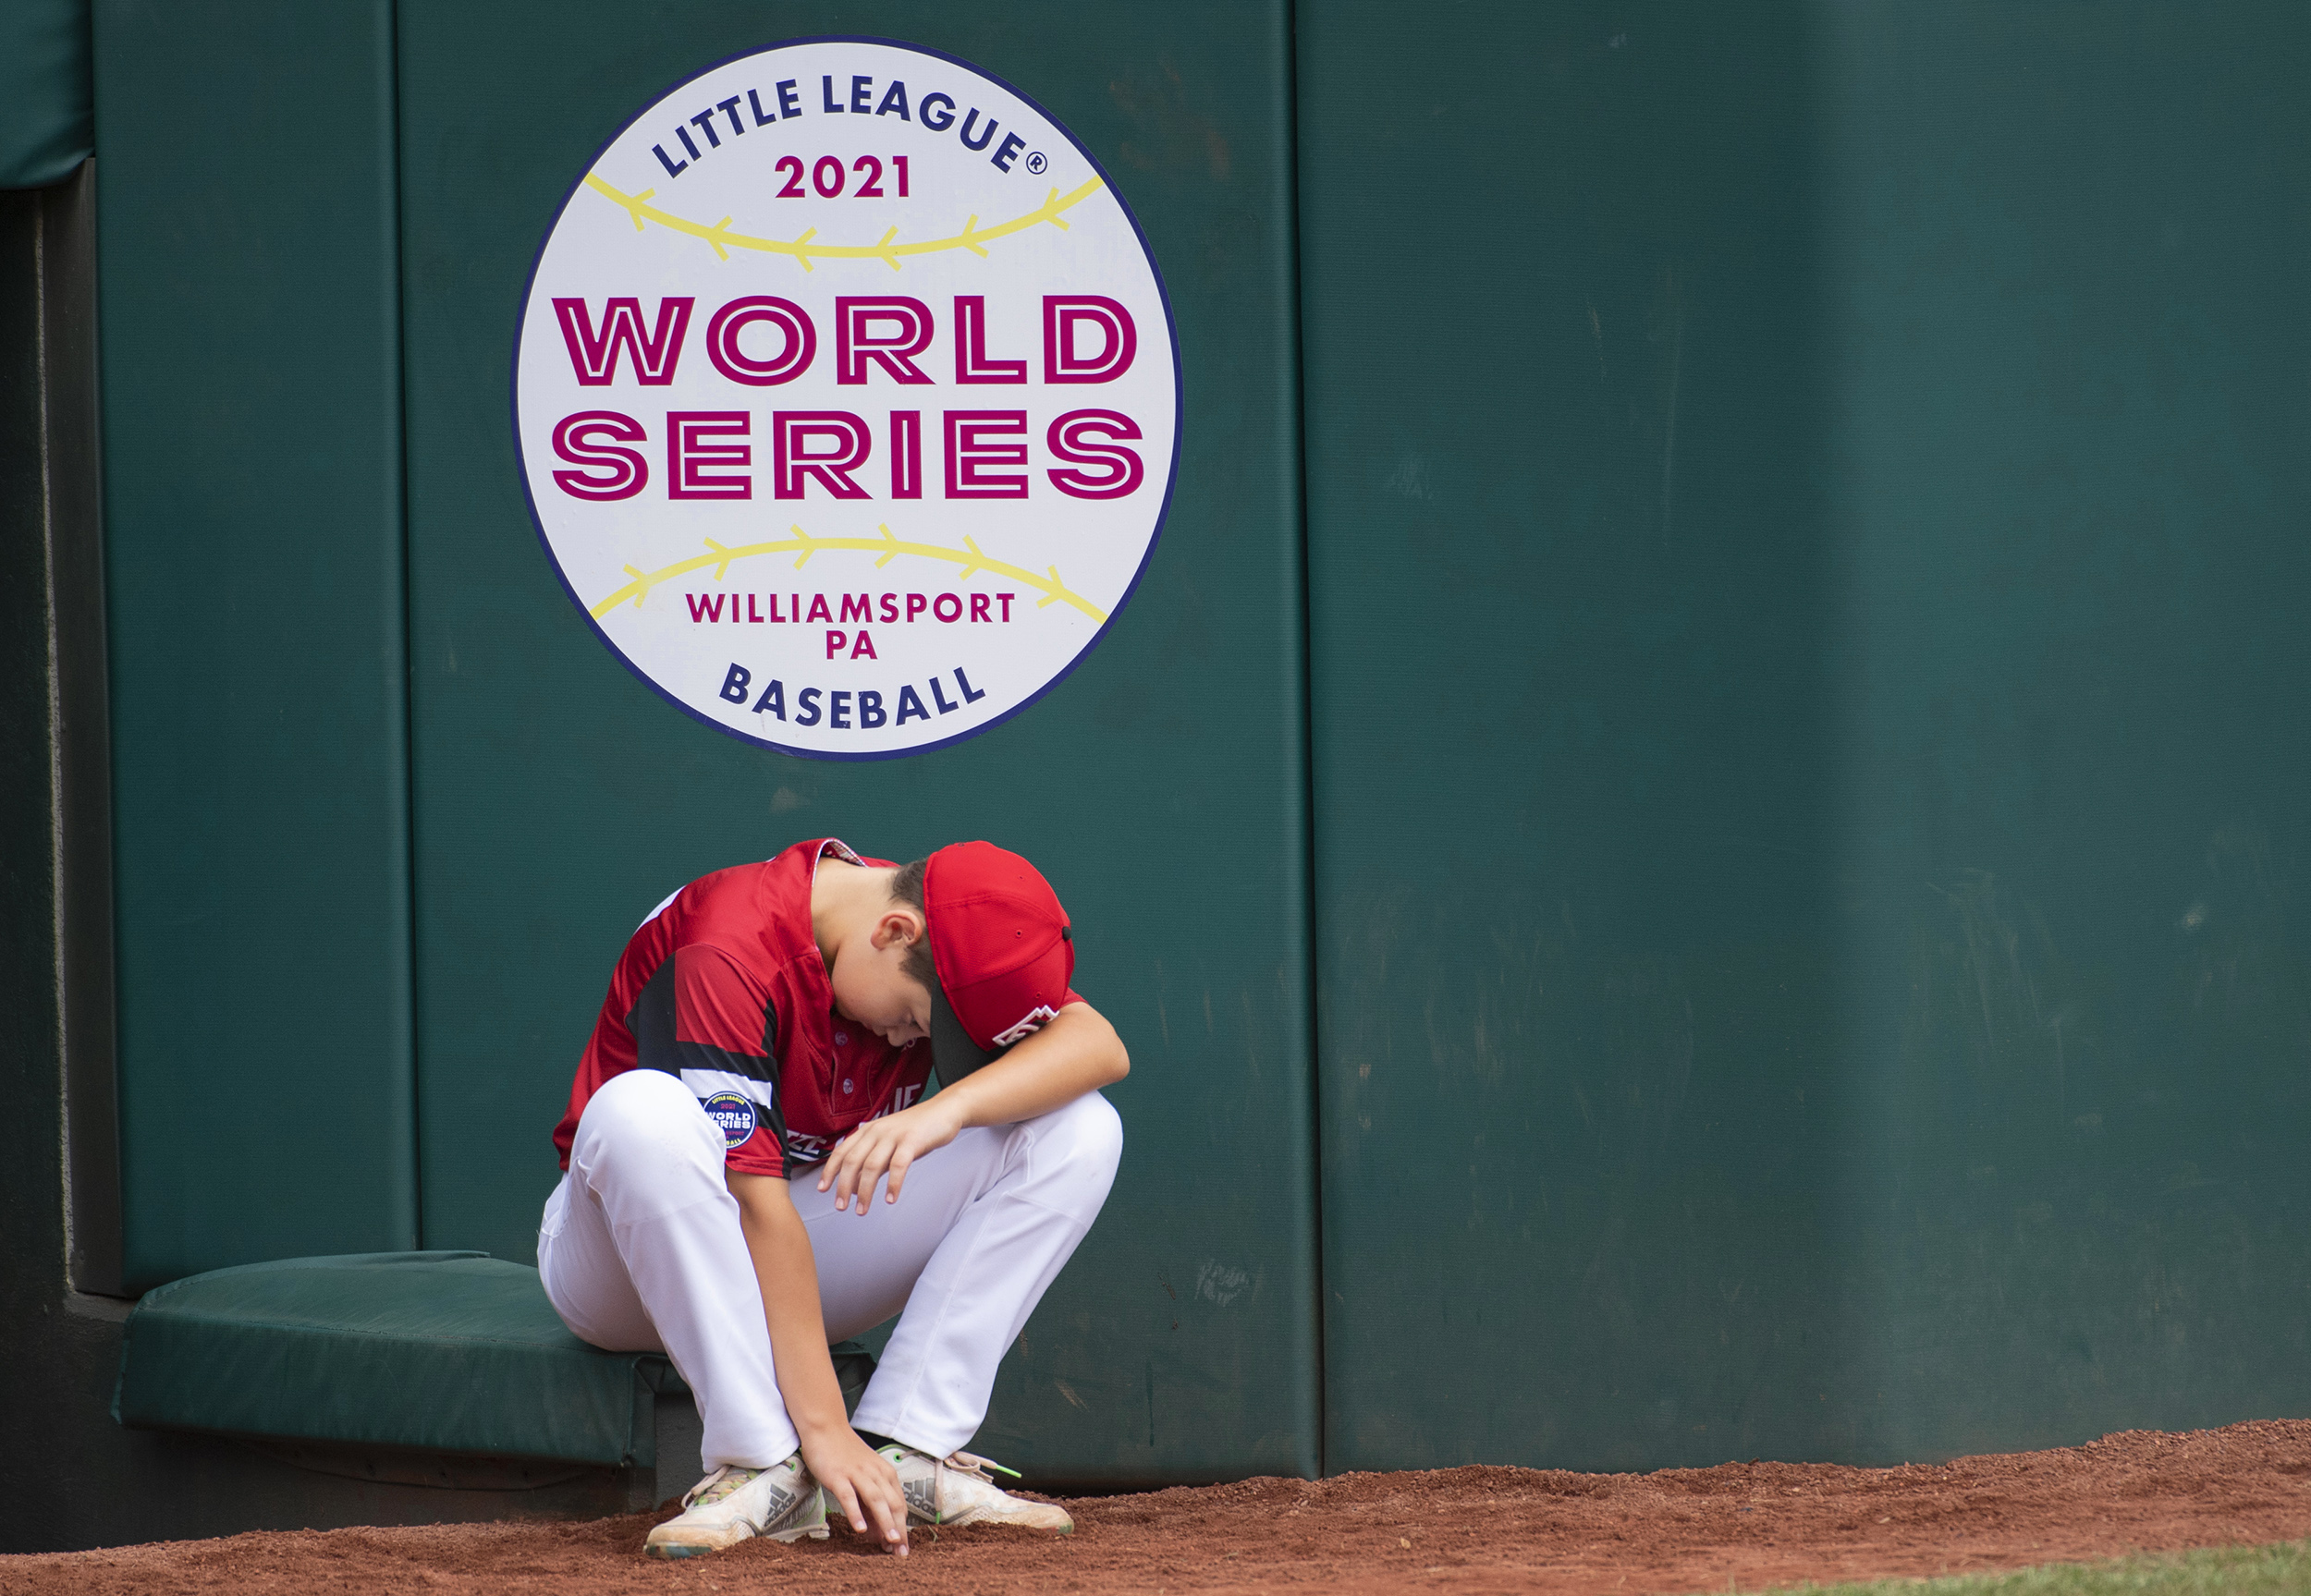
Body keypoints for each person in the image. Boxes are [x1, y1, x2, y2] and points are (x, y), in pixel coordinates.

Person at [537, 837, 1128, 1559]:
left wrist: (947, 1109)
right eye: (918, 1019)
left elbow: (1100, 1044)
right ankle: (761, 1461)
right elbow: (754, 1205)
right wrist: (824, 1427)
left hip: (796, 1245)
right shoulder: (729, 942)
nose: (911, 1037)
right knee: (643, 1112)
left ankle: (911, 1447)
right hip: (622, 1261)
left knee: (1080, 1126)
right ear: (893, 932)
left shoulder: (946, 922)